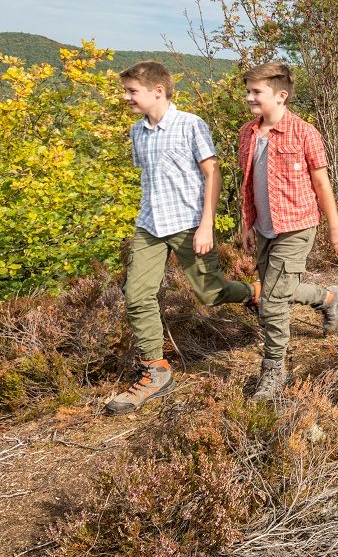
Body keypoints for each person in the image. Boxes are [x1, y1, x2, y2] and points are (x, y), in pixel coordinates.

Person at [106, 61, 258, 415]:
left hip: (189, 223)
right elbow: (152, 179)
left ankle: (254, 293)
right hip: (150, 225)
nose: (126, 97)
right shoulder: (137, 132)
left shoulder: (191, 124)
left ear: (157, 91)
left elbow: (212, 174)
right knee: (136, 295)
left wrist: (206, 225)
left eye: (132, 91)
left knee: (210, 292)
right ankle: (156, 371)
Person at [238, 62, 338, 400]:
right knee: (279, 290)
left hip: (297, 225)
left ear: (281, 95)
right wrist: (246, 223)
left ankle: (274, 370)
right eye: (248, 91)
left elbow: (321, 183)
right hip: (264, 227)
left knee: (271, 301)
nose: (249, 98)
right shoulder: (248, 133)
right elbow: (247, 183)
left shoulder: (304, 132)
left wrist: (335, 225)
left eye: (256, 92)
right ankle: (328, 298)